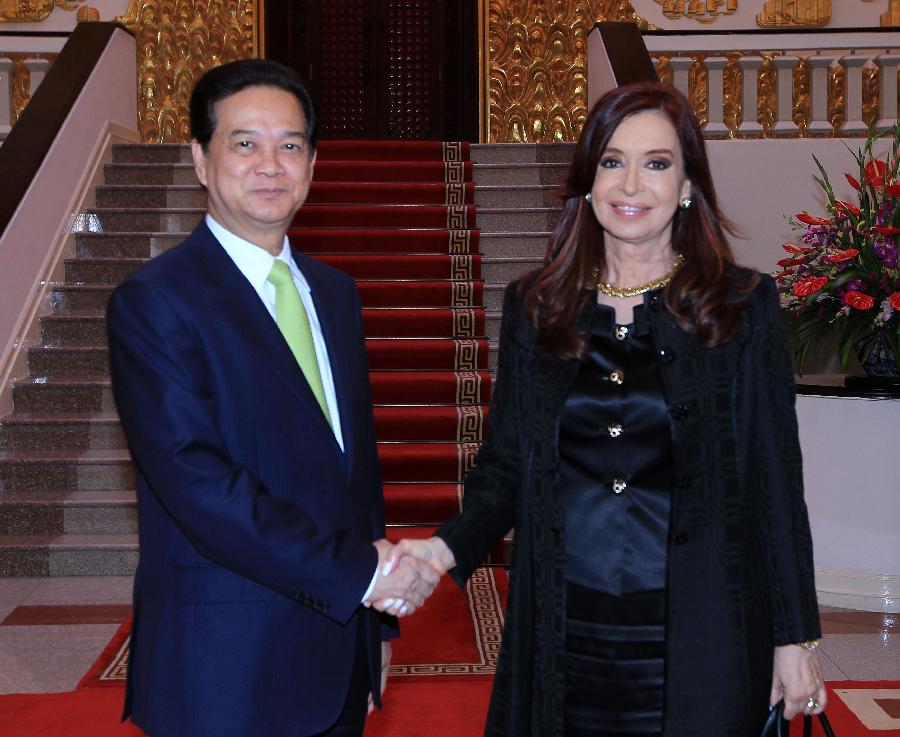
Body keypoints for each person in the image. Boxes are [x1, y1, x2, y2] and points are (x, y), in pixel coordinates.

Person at [387, 82, 826, 736]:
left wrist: (797, 638)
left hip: (701, 629)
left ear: (686, 184)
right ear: (588, 181)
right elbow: (505, 468)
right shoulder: (538, 309)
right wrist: (441, 551)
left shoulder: (740, 307)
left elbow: (774, 483)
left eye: (656, 163)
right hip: (567, 631)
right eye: (613, 161)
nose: (631, 183)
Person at [106, 59, 439, 737]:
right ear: (201, 159)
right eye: (244, 143)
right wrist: (364, 577)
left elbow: (354, 473)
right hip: (226, 664)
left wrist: (372, 629)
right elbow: (199, 483)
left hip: (338, 650)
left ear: (313, 165)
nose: (270, 164)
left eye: (290, 145)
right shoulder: (157, 302)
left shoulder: (335, 293)